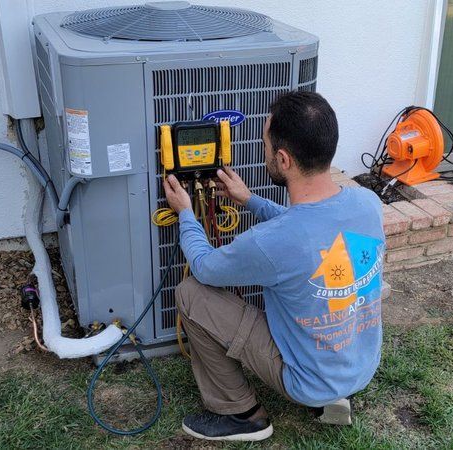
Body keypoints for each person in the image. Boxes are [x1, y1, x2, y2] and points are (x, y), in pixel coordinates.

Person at [162, 91, 385, 442]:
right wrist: (250, 200)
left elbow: (204, 267)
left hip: (307, 382)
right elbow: (312, 233)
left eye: (265, 144)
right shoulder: (367, 203)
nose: (264, 150)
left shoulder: (273, 242)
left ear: (282, 159)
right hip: (360, 368)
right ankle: (334, 393)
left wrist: (185, 213)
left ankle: (241, 415)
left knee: (192, 293)